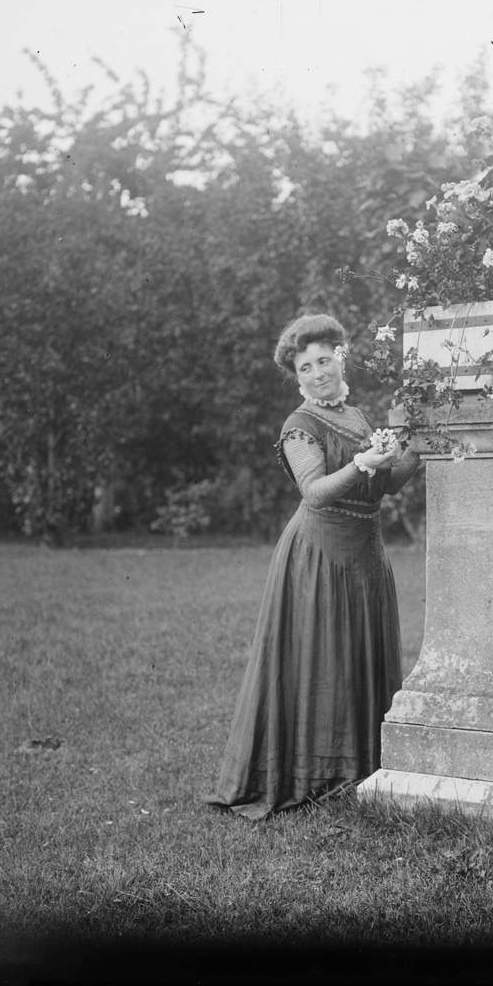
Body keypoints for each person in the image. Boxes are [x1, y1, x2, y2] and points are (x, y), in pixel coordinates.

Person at [205, 313, 422, 820]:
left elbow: (390, 483)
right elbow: (316, 492)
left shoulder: (360, 417)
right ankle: (312, 771)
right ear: (297, 376)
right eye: (306, 368)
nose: (318, 372)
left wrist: (409, 438)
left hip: (365, 555)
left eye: (324, 360)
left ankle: (360, 765)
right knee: (318, 659)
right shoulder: (299, 425)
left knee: (355, 656)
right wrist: (364, 462)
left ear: (340, 358)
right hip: (319, 556)